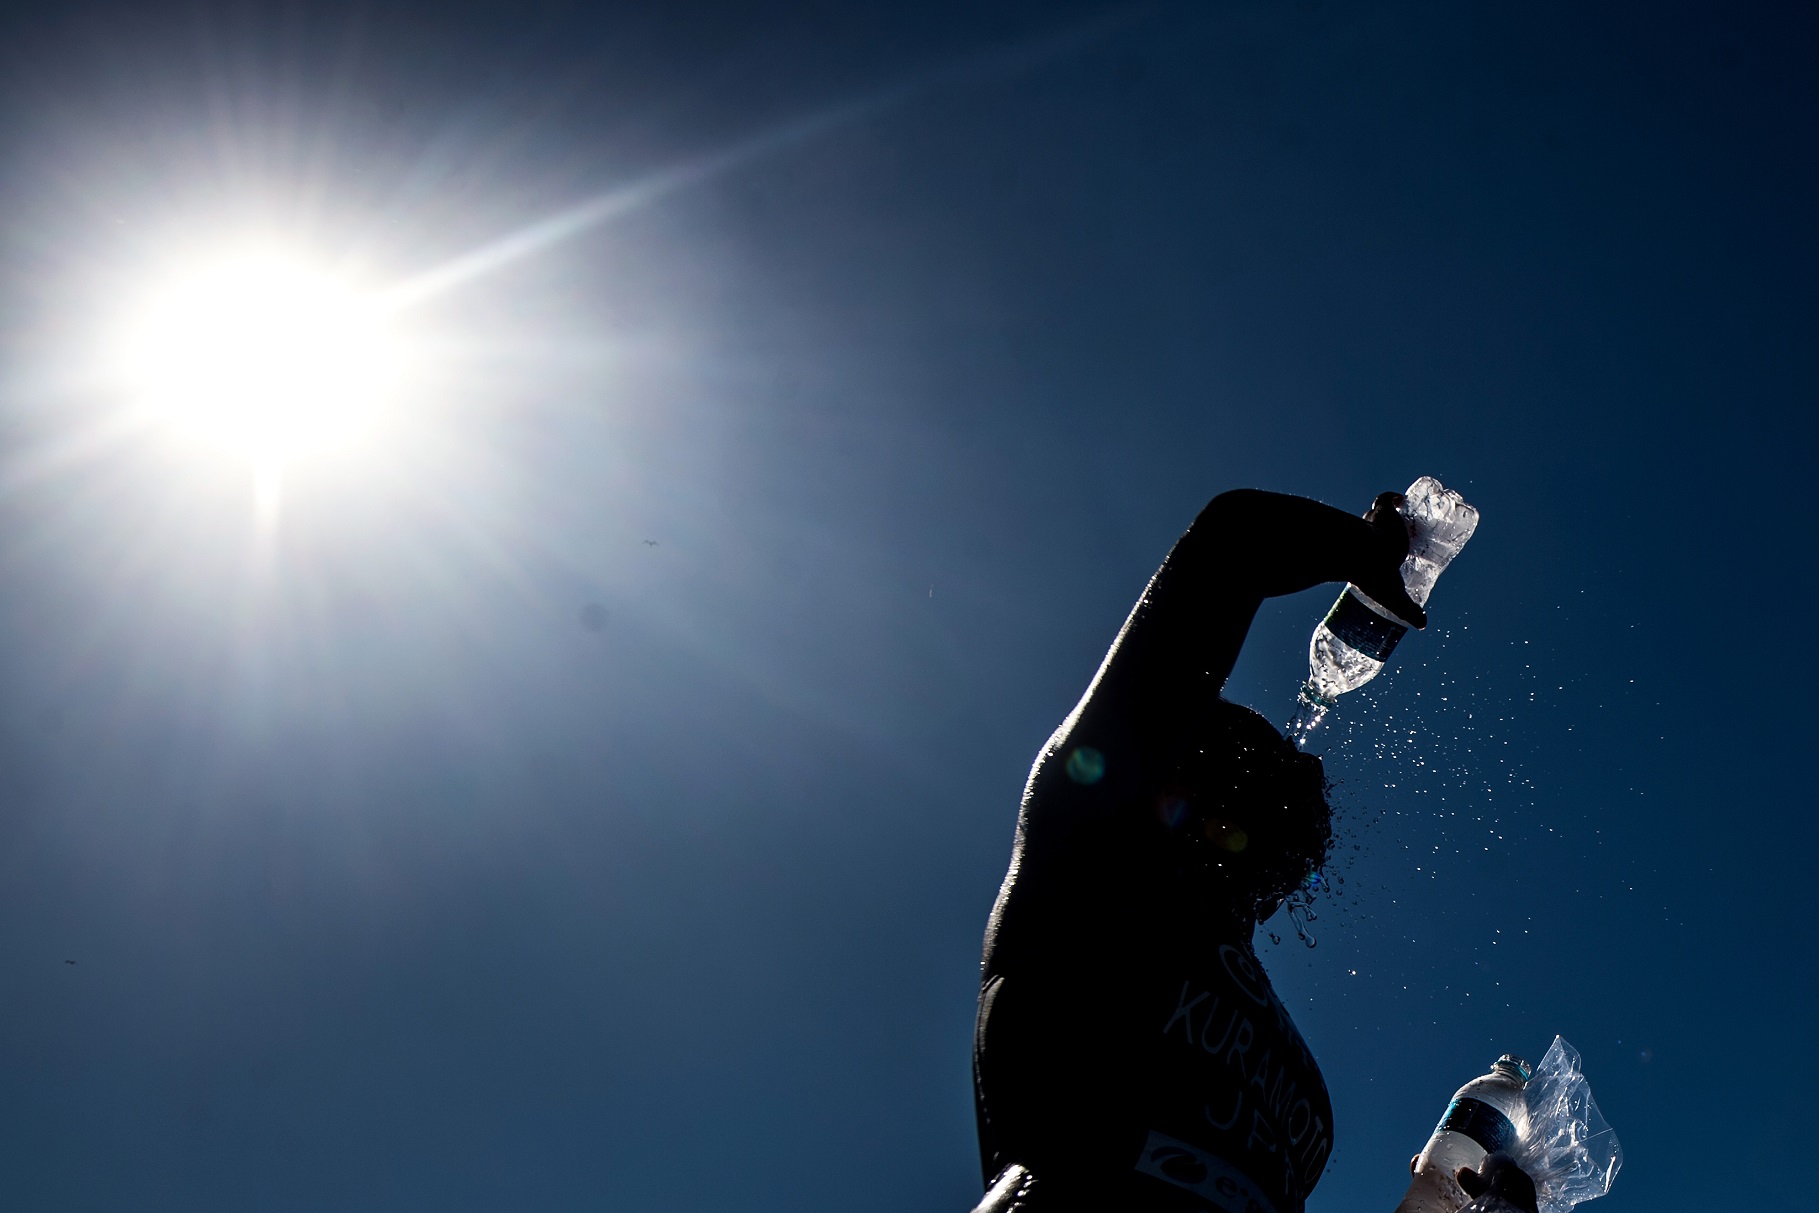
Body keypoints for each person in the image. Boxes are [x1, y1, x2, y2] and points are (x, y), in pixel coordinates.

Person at [969, 488, 1428, 1213]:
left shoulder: (1283, 1044)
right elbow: (1233, 541)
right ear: (1173, 781)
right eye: (1241, 746)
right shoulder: (1088, 862)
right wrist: (1358, 549)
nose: (1295, 759)